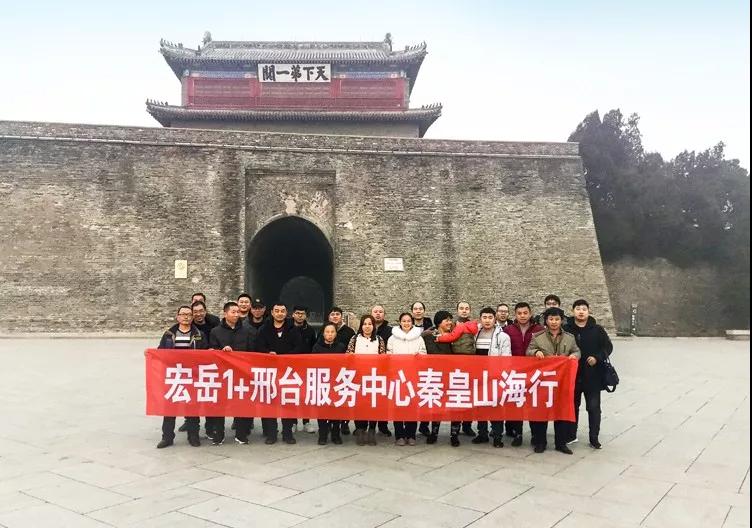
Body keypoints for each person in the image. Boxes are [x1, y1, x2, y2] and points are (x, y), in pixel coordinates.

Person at [435, 307, 510, 444]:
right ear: (480, 319)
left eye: (490, 317)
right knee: (480, 406)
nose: (487, 320)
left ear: (495, 319)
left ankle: (497, 436)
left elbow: (506, 358)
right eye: (484, 317)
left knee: (495, 407)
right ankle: (482, 434)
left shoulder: (502, 336)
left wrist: (500, 375)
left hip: (494, 376)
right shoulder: (475, 333)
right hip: (477, 376)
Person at [526, 307, 580, 454]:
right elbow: (528, 351)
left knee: (561, 412)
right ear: (546, 320)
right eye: (551, 319)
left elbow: (576, 351)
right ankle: (540, 442)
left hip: (562, 381)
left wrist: (574, 356)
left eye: (557, 319)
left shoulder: (569, 337)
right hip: (543, 381)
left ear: (561, 320)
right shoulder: (537, 337)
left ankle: (561, 443)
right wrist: (536, 352)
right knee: (541, 412)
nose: (554, 322)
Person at [564, 299, 613, 449]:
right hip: (572, 375)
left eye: (584, 309)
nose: (581, 311)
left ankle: (594, 438)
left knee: (593, 407)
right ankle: (571, 435)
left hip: (593, 376)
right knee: (572, 406)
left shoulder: (597, 329)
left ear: (588, 311)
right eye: (578, 309)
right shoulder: (566, 329)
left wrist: (597, 357)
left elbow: (608, 347)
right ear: (573, 311)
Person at [156, 305, 207, 449]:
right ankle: (167, 437)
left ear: (192, 317)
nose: (186, 317)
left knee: (192, 408)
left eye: (189, 314)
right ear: (177, 316)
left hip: (192, 376)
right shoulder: (168, 334)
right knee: (170, 408)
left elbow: (205, 354)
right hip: (174, 376)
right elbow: (160, 351)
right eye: (183, 314)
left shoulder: (199, 334)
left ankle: (193, 436)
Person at [207, 301, 256, 445]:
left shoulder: (247, 331)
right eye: (233, 312)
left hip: (241, 373)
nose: (236, 315)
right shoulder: (215, 331)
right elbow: (212, 351)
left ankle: (241, 434)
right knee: (220, 404)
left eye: (238, 312)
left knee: (241, 403)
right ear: (225, 313)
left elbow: (252, 351)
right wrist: (222, 352)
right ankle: (219, 434)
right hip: (222, 374)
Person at [255, 302, 304, 445]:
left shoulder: (293, 329)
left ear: (286, 313)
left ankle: (287, 433)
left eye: (282, 311)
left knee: (287, 403)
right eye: (277, 311)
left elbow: (299, 347)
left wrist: (286, 357)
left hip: (287, 372)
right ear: (272, 312)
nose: (279, 313)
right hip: (269, 372)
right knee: (270, 403)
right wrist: (267, 353)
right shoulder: (264, 329)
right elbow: (258, 347)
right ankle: (271, 433)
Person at [503, 302, 544, 446]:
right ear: (515, 314)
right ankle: (517, 434)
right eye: (519, 313)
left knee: (533, 404)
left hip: (534, 372)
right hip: (515, 373)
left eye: (525, 313)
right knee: (516, 404)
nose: (522, 316)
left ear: (530, 313)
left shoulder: (539, 330)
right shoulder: (508, 330)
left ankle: (535, 434)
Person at [423, 310, 462, 446]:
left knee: (456, 406)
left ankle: (454, 434)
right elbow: (432, 353)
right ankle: (434, 433)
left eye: (451, 320)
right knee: (437, 405)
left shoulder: (456, 335)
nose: (450, 323)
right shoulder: (430, 336)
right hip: (437, 375)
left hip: (455, 376)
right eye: (447, 320)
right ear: (439, 322)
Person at [387, 312, 426, 446]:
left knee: (412, 405)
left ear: (412, 322)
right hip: (397, 376)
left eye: (409, 321)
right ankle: (399, 435)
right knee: (398, 405)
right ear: (400, 322)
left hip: (413, 375)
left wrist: (418, 356)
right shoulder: (392, 338)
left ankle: (411, 434)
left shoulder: (418, 338)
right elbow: (388, 355)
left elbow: (424, 354)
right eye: (404, 321)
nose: (406, 323)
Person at [346, 314, 385, 446]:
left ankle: (372, 430)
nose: (367, 327)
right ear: (361, 326)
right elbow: (348, 355)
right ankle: (360, 429)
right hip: (358, 377)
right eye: (365, 324)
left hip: (374, 377)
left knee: (373, 404)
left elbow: (383, 358)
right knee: (359, 405)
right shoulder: (355, 339)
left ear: (373, 326)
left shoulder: (379, 339)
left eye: (370, 324)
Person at [312, 322, 347, 445]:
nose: (330, 334)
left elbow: (346, 364)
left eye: (332, 332)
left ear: (336, 334)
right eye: (327, 332)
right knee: (322, 410)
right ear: (323, 333)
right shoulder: (317, 347)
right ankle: (322, 434)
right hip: (322, 383)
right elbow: (313, 364)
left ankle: (336, 434)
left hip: (337, 382)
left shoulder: (341, 347)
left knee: (336, 409)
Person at [328, 306, 355, 435]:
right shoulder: (325, 329)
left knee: (344, 397)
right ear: (329, 317)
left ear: (341, 316)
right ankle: (330, 422)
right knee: (330, 398)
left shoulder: (349, 331)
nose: (335, 316)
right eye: (332, 314)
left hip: (345, 370)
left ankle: (344, 424)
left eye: (337, 314)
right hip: (329, 370)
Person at [292, 305, 317, 434]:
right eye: (297, 313)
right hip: (290, 368)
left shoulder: (310, 330)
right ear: (293, 314)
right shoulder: (287, 328)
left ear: (306, 316)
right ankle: (293, 422)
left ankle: (306, 421)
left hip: (306, 367)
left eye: (302, 313)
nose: (300, 315)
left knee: (305, 395)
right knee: (292, 395)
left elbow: (313, 347)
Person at [371, 305, 393, 437]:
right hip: (369, 370)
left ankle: (383, 425)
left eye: (380, 312)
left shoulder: (390, 330)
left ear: (384, 314)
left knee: (383, 399)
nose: (378, 314)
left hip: (385, 369)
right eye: (375, 312)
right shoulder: (366, 328)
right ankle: (364, 426)